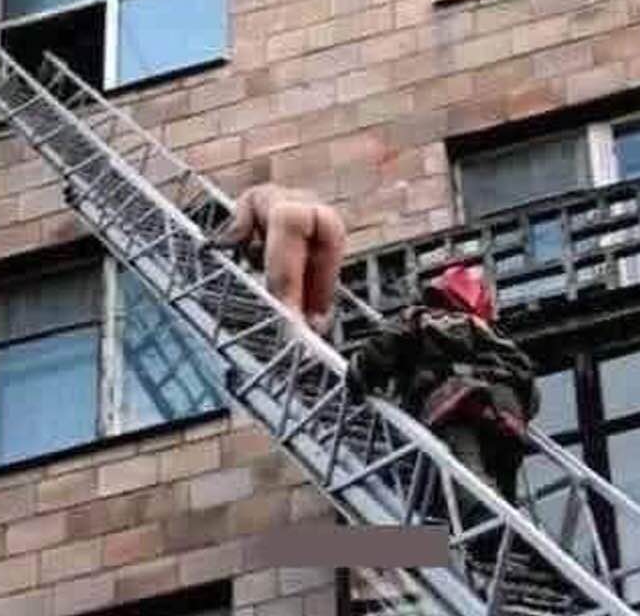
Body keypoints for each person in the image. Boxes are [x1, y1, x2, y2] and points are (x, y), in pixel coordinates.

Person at [346, 263, 539, 566]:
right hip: (507, 418)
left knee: (466, 471)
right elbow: (531, 391)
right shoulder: (495, 337)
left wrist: (358, 376)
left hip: (457, 405)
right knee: (501, 479)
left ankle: (489, 528)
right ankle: (516, 542)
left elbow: (378, 353)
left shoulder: (420, 320)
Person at [217, 183, 346, 335]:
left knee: (287, 303)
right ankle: (318, 340)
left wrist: (212, 243)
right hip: (330, 219)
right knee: (316, 311)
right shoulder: (296, 192)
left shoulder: (248, 195)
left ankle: (299, 345)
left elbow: (240, 231)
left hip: (288, 215)